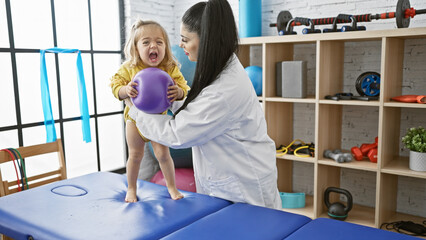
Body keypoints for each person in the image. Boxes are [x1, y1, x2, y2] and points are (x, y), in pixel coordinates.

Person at [128, 0, 281, 209]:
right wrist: (173, 98)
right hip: (230, 183)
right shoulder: (220, 67)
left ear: (207, 41)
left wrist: (135, 108)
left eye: (185, 39)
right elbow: (200, 108)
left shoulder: (224, 91)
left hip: (244, 189)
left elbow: (176, 134)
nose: (180, 45)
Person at [110, 19, 190, 202]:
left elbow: (185, 89)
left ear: (165, 47)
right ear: (136, 48)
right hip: (135, 121)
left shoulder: (169, 68)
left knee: (163, 155)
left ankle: (171, 187)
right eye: (146, 42)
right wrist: (125, 90)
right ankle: (131, 188)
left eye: (159, 42)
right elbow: (114, 86)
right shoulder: (129, 67)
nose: (153, 45)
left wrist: (178, 92)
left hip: (159, 121)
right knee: (135, 156)